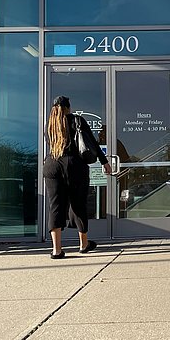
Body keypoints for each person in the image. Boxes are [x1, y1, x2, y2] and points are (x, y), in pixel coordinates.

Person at [44, 96, 112, 259]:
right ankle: (83, 244)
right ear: (68, 107)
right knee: (78, 203)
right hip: (74, 165)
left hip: (52, 164)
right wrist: (105, 162)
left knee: (55, 206)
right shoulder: (77, 120)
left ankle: (56, 250)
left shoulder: (50, 124)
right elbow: (91, 143)